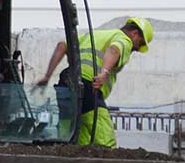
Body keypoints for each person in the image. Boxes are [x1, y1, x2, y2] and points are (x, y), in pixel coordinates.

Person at [35, 16, 155, 148]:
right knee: (104, 140)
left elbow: (62, 45)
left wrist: (47, 75)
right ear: (135, 33)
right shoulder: (124, 39)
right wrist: (104, 73)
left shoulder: (94, 35)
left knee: (73, 140)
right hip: (88, 87)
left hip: (66, 84)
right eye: (140, 43)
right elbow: (114, 50)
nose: (137, 48)